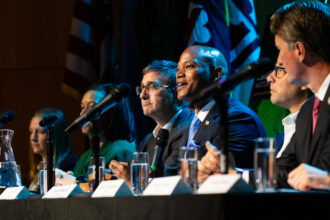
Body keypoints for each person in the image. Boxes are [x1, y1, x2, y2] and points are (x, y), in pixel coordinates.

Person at [176, 45, 267, 182]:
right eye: (178, 69)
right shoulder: (191, 123)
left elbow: (219, 177)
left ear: (216, 74)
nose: (178, 74)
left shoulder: (237, 118)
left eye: (188, 66)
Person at [270, 1, 330, 188]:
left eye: (279, 50)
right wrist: (230, 175)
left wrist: (326, 181)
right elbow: (283, 171)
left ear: (299, 50)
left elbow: (320, 176)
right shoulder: (307, 112)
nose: (279, 60)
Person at [110, 60, 194, 183]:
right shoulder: (148, 140)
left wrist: (132, 181)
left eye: (152, 86)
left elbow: (174, 184)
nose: (142, 95)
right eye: (142, 87)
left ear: (176, 92)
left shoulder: (191, 129)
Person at [73, 83, 136, 178]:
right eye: (82, 107)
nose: (82, 114)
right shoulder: (85, 156)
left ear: (112, 111)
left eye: (92, 107)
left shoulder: (121, 151)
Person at [28, 107, 78, 191]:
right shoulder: (32, 172)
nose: (33, 138)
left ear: (56, 135)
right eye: (31, 131)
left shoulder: (72, 166)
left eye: (40, 131)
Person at [266, 67, 312, 158]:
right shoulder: (281, 138)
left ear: (304, 80)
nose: (269, 78)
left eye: (280, 71)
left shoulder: (319, 133)